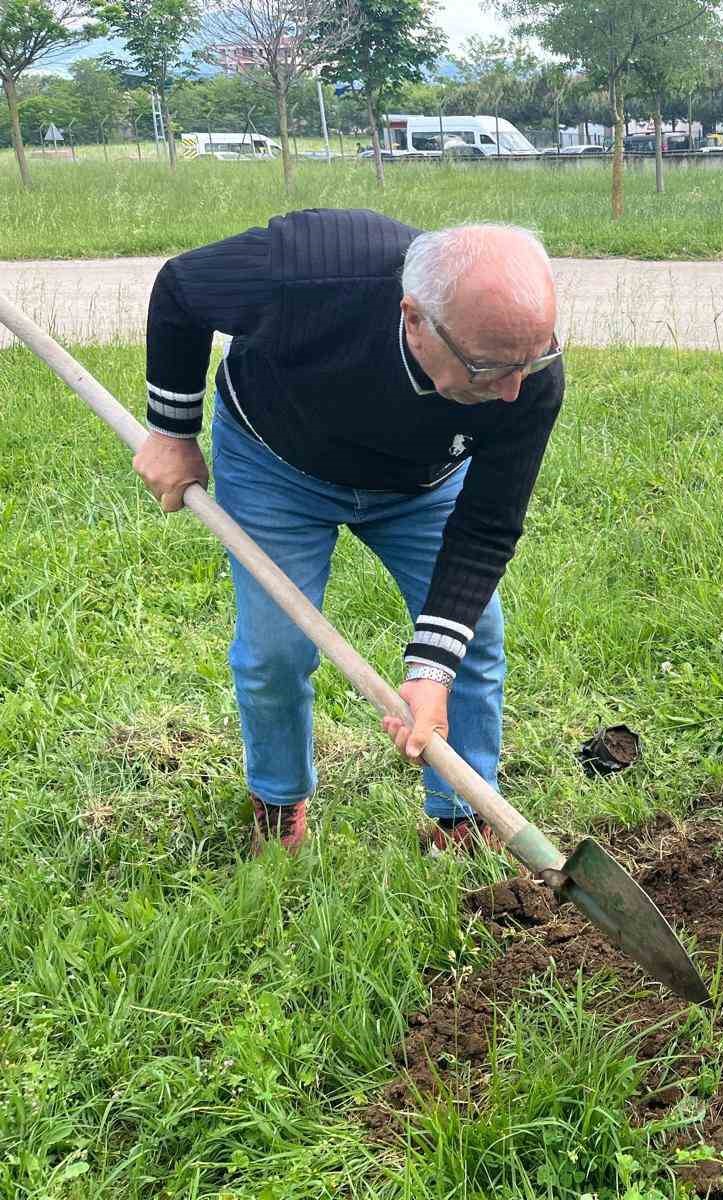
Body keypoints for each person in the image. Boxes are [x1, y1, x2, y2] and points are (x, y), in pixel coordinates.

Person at [134, 209, 563, 856]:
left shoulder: (526, 372)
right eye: (487, 369)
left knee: (471, 643)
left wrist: (431, 667)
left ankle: (464, 815)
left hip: (421, 487)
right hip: (276, 463)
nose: (512, 391)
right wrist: (172, 431)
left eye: (529, 363)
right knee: (274, 651)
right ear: (415, 318)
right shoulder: (313, 267)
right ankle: (279, 800)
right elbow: (181, 289)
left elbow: (486, 529)